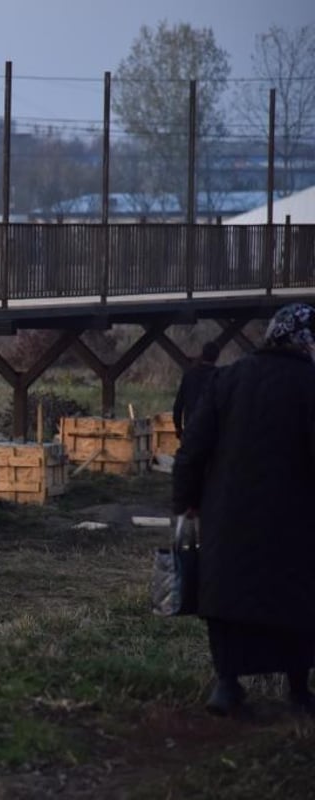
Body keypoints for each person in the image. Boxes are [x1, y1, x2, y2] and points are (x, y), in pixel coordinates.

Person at [172, 304, 315, 716]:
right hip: (296, 520)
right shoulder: (310, 384)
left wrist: (185, 503)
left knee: (227, 599)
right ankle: (299, 690)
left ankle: (227, 684)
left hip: (227, 517)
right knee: (297, 599)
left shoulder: (228, 379)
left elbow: (191, 452)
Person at [171, 341, 220, 436]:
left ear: (202, 354)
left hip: (191, 428)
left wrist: (178, 428)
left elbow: (178, 405)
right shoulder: (220, 376)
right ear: (217, 356)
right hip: (212, 431)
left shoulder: (189, 375)